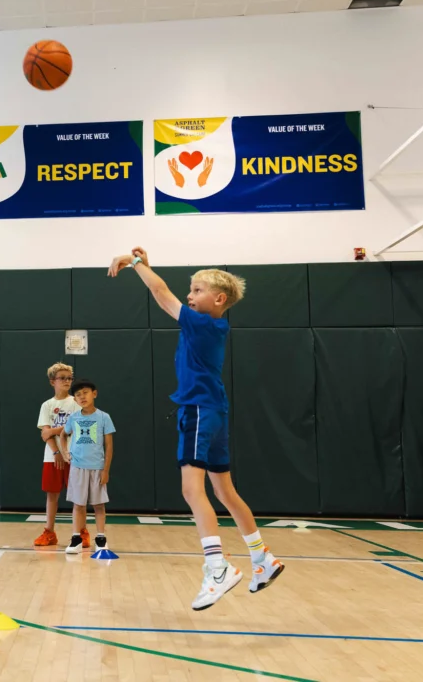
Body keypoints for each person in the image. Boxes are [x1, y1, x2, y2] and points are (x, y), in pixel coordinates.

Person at [109, 249, 282, 609]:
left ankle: (217, 568)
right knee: (225, 492)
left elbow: (161, 295)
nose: (189, 295)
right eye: (190, 289)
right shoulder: (212, 324)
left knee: (192, 490)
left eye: (197, 289)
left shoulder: (202, 323)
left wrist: (136, 264)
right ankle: (261, 557)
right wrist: (148, 265)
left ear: (219, 299)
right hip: (215, 410)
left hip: (199, 410)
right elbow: (169, 295)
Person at [60, 379, 114, 555]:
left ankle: (100, 538)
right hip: (77, 466)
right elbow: (63, 435)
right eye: (77, 395)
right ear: (74, 400)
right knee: (78, 504)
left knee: (98, 504)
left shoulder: (104, 417)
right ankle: (76, 538)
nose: (82, 397)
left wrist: (106, 470)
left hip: (97, 467)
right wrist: (65, 452)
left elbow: (109, 446)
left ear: (94, 394)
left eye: (85, 392)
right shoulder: (73, 418)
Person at [34, 362, 79, 548]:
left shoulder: (77, 401)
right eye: (62, 378)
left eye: (69, 378)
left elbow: (75, 426)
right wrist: (56, 452)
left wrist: (54, 430)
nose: (67, 381)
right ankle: (49, 532)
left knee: (78, 496)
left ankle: (80, 532)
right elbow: (45, 434)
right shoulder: (47, 405)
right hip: (52, 457)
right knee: (52, 494)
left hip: (75, 455)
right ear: (53, 381)